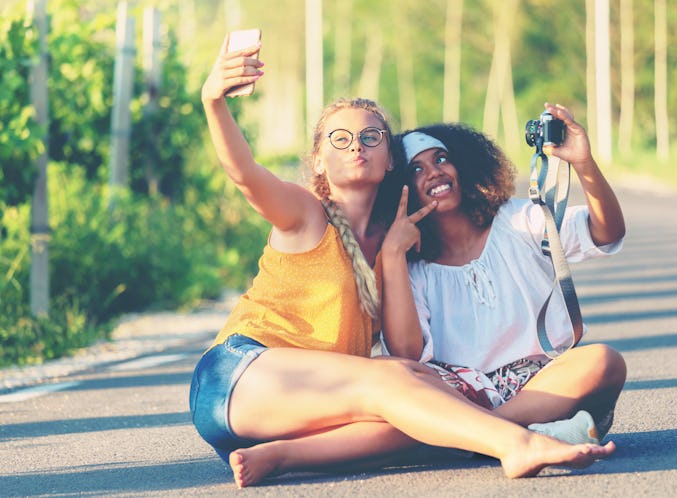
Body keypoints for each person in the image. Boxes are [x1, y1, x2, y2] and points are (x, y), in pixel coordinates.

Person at [189, 36, 615, 488]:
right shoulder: (305, 214)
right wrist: (214, 102)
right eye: (341, 138)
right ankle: (517, 444)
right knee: (392, 378)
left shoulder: (396, 242)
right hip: (239, 377)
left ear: (391, 158)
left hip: (299, 411)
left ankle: (280, 457)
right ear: (319, 158)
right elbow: (245, 174)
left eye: (371, 137)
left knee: (423, 404)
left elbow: (408, 351)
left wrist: (393, 252)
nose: (357, 145)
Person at [381, 103, 627, 443]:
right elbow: (406, 355)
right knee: (392, 389)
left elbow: (607, 233)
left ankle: (477, 435)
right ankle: (522, 434)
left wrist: (583, 164)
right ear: (400, 190)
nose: (433, 172)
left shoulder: (518, 221)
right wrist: (392, 255)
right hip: (457, 391)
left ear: (463, 165)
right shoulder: (411, 265)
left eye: (440, 159)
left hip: (541, 384)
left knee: (604, 361)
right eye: (416, 170)